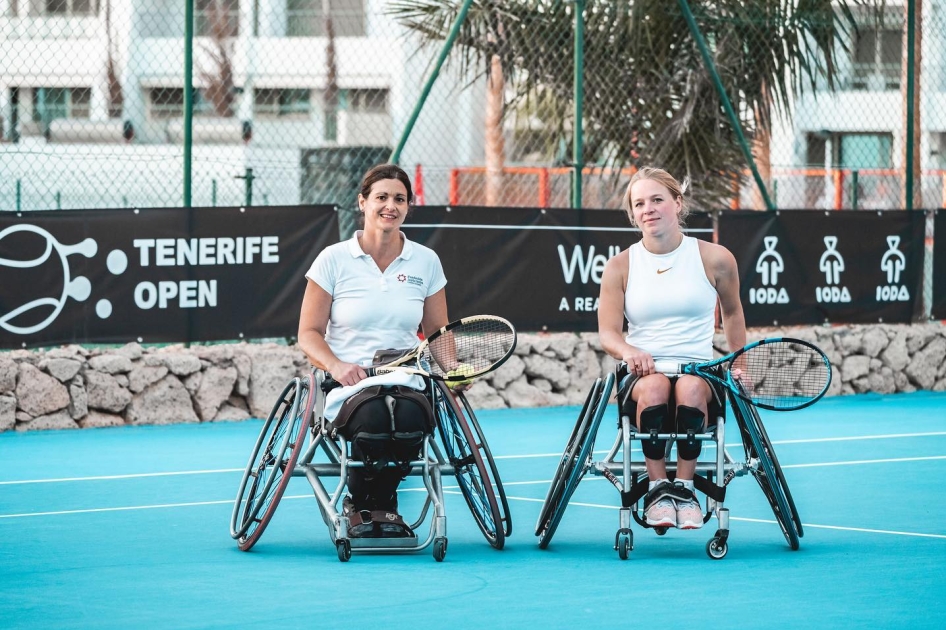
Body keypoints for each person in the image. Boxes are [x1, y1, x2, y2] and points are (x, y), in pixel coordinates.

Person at [297, 163, 450, 538]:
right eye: (381, 197)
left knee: (412, 416)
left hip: (406, 377)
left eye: (399, 199)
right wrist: (336, 365)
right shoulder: (333, 259)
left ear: (408, 206)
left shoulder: (426, 261)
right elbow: (308, 333)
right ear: (362, 203)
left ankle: (380, 504)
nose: (390, 206)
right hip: (349, 379)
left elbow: (437, 333)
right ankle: (366, 505)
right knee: (375, 418)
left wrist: (452, 372)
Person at [598, 167, 747, 530]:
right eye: (639, 204)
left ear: (677, 204)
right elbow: (608, 334)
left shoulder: (716, 258)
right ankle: (657, 487)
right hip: (643, 374)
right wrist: (628, 350)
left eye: (657, 199)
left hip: (698, 369)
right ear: (633, 215)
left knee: (691, 387)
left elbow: (732, 311)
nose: (648, 209)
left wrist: (739, 361)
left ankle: (684, 487)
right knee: (655, 387)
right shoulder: (619, 266)